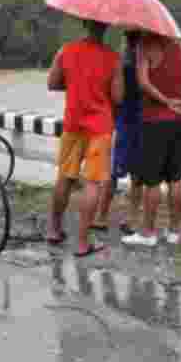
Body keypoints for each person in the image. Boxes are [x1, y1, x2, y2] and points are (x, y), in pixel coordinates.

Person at [46, 18, 124, 257]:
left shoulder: (65, 51)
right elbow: (118, 97)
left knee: (65, 177)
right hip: (99, 127)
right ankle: (82, 242)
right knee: (92, 183)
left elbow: (52, 83)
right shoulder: (113, 59)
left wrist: (75, 86)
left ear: (84, 24)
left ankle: (54, 229)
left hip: (72, 124)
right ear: (106, 27)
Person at [122, 33, 181, 247]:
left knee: (152, 181)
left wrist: (165, 101)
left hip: (155, 122)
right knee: (175, 179)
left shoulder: (145, 46)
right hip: (179, 121)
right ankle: (174, 232)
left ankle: (148, 233)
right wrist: (178, 102)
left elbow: (143, 83)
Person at [94, 29, 142, 235]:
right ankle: (132, 219)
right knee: (137, 175)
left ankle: (101, 216)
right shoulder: (146, 63)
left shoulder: (121, 64)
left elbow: (117, 97)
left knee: (112, 172)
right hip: (144, 122)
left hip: (124, 121)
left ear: (126, 40)